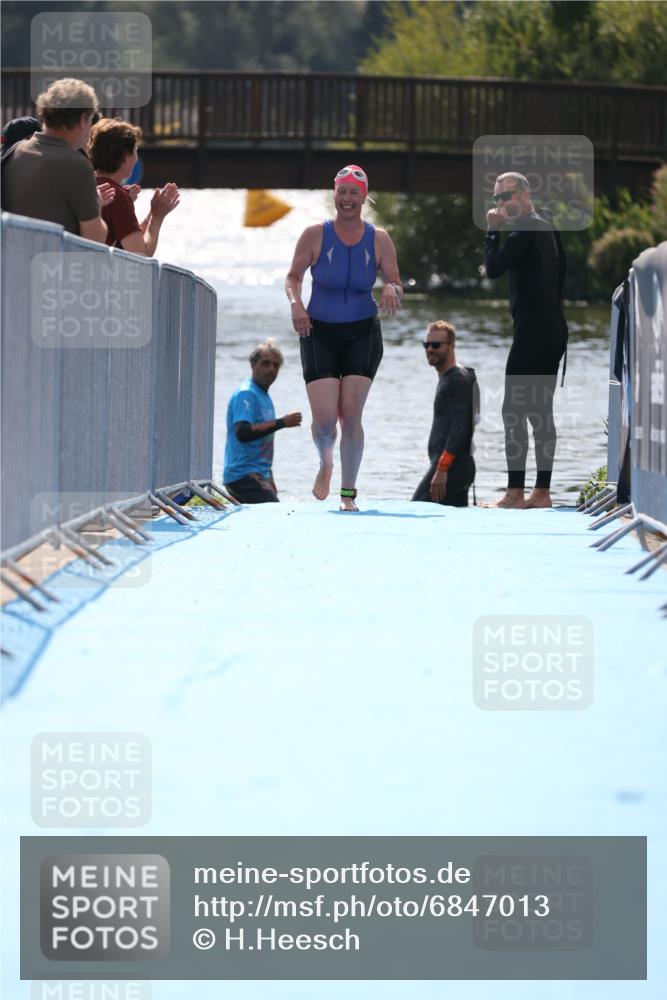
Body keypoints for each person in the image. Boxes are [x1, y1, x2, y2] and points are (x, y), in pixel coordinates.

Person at [285, 164, 402, 511]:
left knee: (351, 416)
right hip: (317, 331)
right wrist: (296, 304)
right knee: (324, 421)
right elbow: (292, 277)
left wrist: (392, 290)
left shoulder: (378, 238)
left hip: (362, 332)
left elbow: (396, 280)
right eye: (342, 192)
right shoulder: (314, 235)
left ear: (364, 197)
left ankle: (348, 494)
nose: (347, 199)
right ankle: (326, 463)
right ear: (334, 194)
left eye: (354, 193)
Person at [484, 171, 568, 509]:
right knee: (539, 412)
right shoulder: (544, 224)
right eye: (497, 199)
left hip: (535, 332)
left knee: (513, 412)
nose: (502, 203)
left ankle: (515, 494)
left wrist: (492, 230)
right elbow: (563, 272)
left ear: (525, 195)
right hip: (553, 329)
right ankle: (542, 493)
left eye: (507, 196)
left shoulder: (525, 229)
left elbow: (493, 268)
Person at [1, 78, 108, 242]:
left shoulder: (15, 151)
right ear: (81, 120)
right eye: (90, 119)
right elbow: (94, 240)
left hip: (10, 263)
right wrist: (97, 205)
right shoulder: (77, 165)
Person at [223, 340, 302, 504]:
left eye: (276, 365)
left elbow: (264, 444)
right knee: (274, 514)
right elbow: (243, 433)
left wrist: (270, 478)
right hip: (243, 475)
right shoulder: (247, 394)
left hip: (259, 474)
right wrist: (282, 422)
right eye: (266, 364)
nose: (271, 369)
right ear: (253, 365)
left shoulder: (263, 396)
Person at [88, 117, 180, 254]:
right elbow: (141, 254)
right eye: (135, 150)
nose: (136, 158)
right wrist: (158, 218)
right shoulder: (117, 196)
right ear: (125, 155)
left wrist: (152, 214)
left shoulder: (88, 186)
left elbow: (130, 239)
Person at [412, 321, 478, 507]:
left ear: (451, 346)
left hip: (451, 469)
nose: (430, 349)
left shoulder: (457, 380)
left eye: (436, 345)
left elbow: (461, 427)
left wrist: (442, 468)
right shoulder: (451, 378)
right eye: (427, 344)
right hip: (455, 468)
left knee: (417, 509)